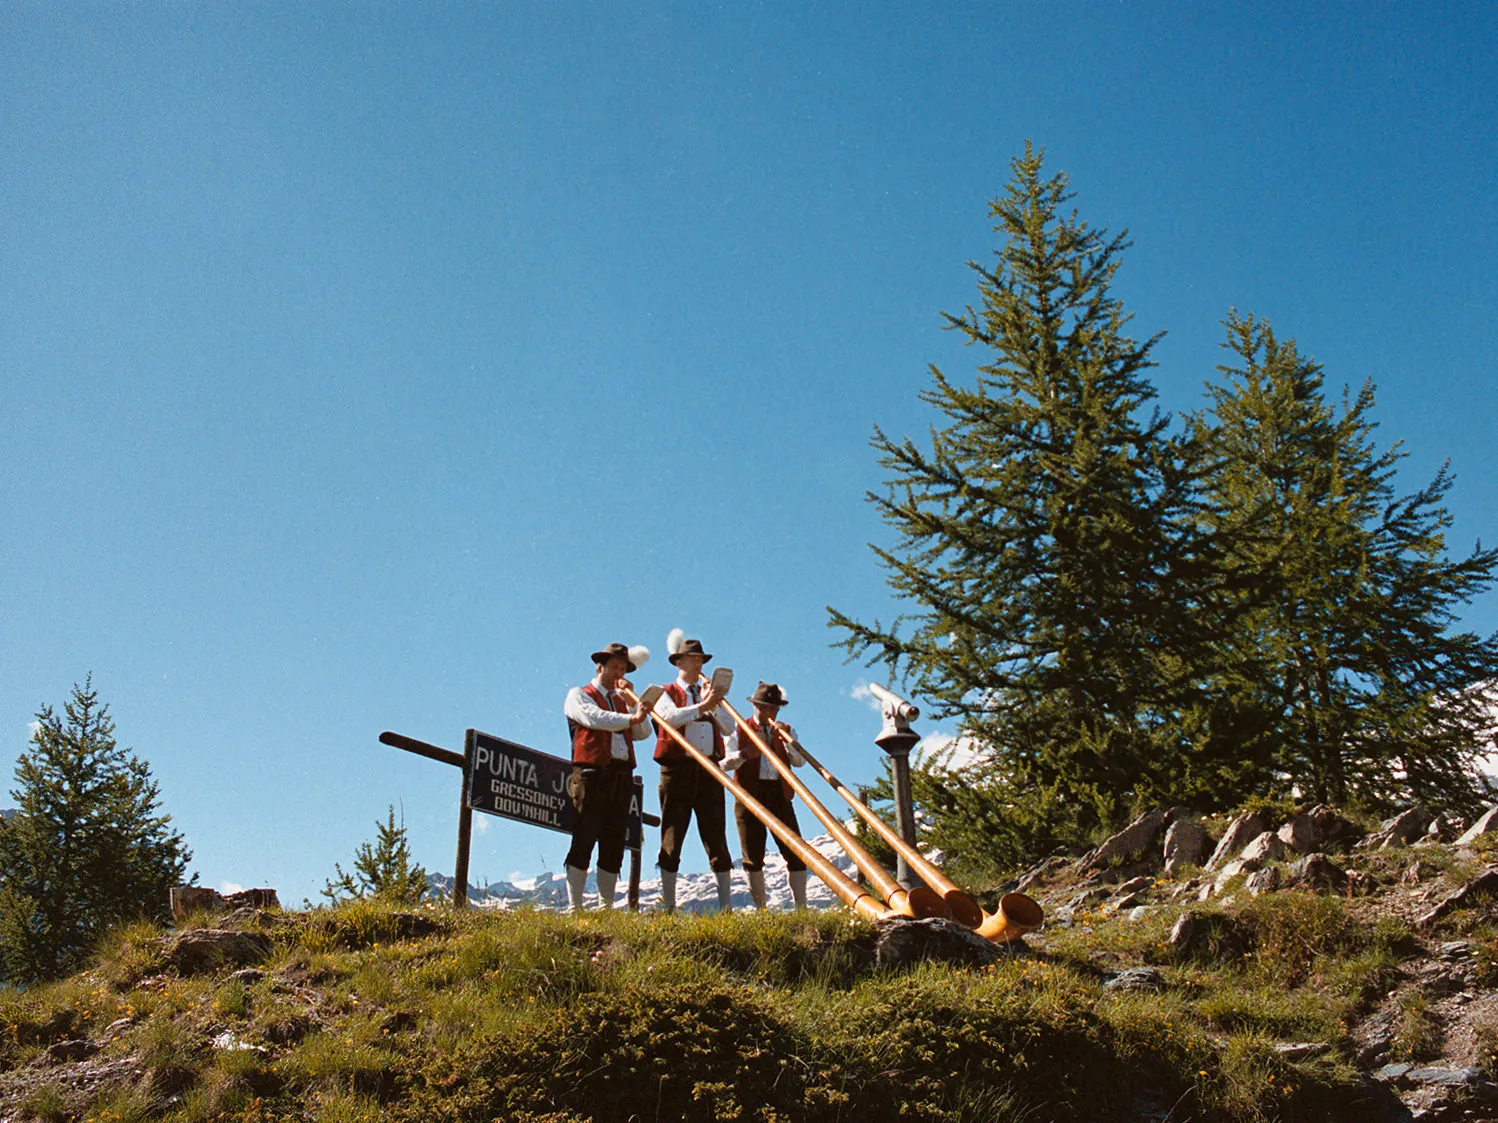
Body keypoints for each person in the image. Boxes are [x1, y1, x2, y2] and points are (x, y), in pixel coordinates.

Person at [561, 642, 652, 911]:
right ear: (600, 667)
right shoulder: (579, 694)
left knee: (614, 840)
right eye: (615, 668)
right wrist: (630, 718)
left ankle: (605, 905)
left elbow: (644, 733)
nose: (619, 674)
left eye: (624, 669)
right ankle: (575, 905)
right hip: (592, 773)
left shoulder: (622, 703)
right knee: (585, 834)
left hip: (621, 775)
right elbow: (594, 718)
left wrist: (633, 706)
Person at [652, 632, 736, 911]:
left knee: (716, 834)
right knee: (673, 833)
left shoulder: (708, 693)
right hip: (678, 769)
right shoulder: (666, 692)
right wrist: (702, 706)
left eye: (701, 659)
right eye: (694, 659)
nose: (699, 664)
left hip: (710, 769)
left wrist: (716, 702)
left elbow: (728, 727)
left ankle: (726, 907)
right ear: (680, 662)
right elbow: (668, 719)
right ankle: (669, 906)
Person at [729, 682, 809, 910]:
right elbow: (724, 762)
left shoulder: (787, 730)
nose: (769, 713)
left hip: (778, 792)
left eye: (774, 709)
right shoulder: (739, 728)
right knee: (753, 854)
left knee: (795, 849)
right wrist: (745, 754)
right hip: (749, 793)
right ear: (755, 706)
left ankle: (801, 908)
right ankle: (761, 910)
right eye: (765, 708)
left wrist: (786, 742)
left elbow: (800, 762)